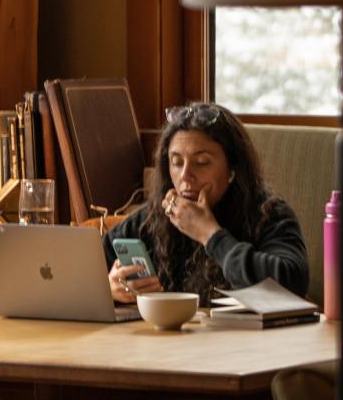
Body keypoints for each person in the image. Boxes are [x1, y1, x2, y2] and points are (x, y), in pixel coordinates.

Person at [104, 102, 309, 305]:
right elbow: (85, 274)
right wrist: (110, 288)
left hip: (242, 337)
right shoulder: (155, 216)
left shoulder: (269, 215)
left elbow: (292, 284)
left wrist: (210, 234)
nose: (185, 175)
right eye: (176, 162)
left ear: (232, 169)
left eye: (201, 162)